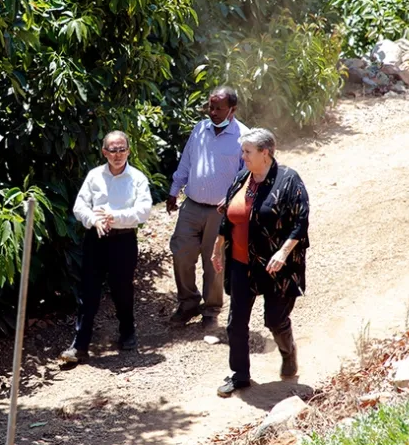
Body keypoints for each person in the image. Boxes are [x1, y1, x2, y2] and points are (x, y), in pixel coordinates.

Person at [211, 128, 310, 397]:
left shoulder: (289, 180)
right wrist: (218, 246)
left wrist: (283, 252)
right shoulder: (242, 178)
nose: (242, 157)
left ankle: (288, 352)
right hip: (242, 262)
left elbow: (301, 222)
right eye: (243, 151)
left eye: (247, 152)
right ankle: (239, 375)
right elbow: (230, 215)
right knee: (236, 322)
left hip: (277, 265)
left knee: (275, 320)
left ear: (265, 153)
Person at [60, 131, 152, 365]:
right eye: (112, 150)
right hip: (95, 239)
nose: (118, 154)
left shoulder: (137, 178)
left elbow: (143, 212)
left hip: (124, 241)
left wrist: (113, 216)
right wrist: (95, 220)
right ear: (104, 152)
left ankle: (127, 333)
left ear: (129, 151)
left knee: (122, 289)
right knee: (88, 292)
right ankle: (80, 346)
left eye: (122, 149)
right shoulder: (94, 176)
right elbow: (80, 207)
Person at [167, 86, 250, 328]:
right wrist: (174, 191)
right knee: (181, 253)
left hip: (220, 212)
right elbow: (186, 161)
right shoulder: (199, 129)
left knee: (214, 261)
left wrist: (232, 199)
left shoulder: (243, 137)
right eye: (210, 107)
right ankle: (188, 302)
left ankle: (211, 310)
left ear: (232, 110)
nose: (212, 112)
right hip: (191, 205)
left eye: (218, 108)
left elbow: (245, 177)